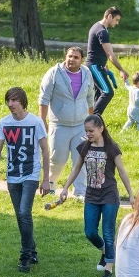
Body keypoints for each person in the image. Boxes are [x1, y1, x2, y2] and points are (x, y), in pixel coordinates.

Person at [0, 87, 50, 272]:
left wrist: (46, 179)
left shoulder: (36, 122)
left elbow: (44, 150)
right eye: (8, 100)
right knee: (20, 215)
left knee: (24, 212)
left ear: (22, 101)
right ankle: (32, 249)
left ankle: (25, 255)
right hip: (12, 174)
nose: (10, 104)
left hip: (31, 173)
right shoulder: (4, 123)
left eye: (14, 100)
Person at [56, 114, 133, 277]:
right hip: (91, 196)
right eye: (86, 131)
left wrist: (131, 195)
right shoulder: (85, 147)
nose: (88, 133)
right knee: (90, 232)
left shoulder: (111, 148)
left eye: (91, 130)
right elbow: (76, 168)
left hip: (109, 196)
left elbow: (122, 171)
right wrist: (65, 188)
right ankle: (105, 252)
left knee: (108, 231)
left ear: (101, 129)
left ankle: (109, 268)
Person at [39, 46, 95, 201]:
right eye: (70, 56)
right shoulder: (54, 73)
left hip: (81, 126)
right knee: (58, 158)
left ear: (81, 60)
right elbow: (43, 99)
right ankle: (50, 185)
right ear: (66, 56)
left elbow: (90, 98)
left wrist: (91, 122)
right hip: (59, 125)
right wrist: (42, 122)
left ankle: (80, 191)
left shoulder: (86, 73)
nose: (72, 59)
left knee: (80, 158)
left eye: (76, 57)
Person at [86, 7, 129, 116]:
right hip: (95, 66)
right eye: (117, 20)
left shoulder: (97, 27)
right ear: (109, 16)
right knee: (107, 92)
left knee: (99, 93)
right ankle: (93, 119)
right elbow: (110, 54)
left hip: (96, 65)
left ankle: (90, 119)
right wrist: (121, 70)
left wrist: (104, 64)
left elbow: (97, 49)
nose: (117, 23)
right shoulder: (101, 31)